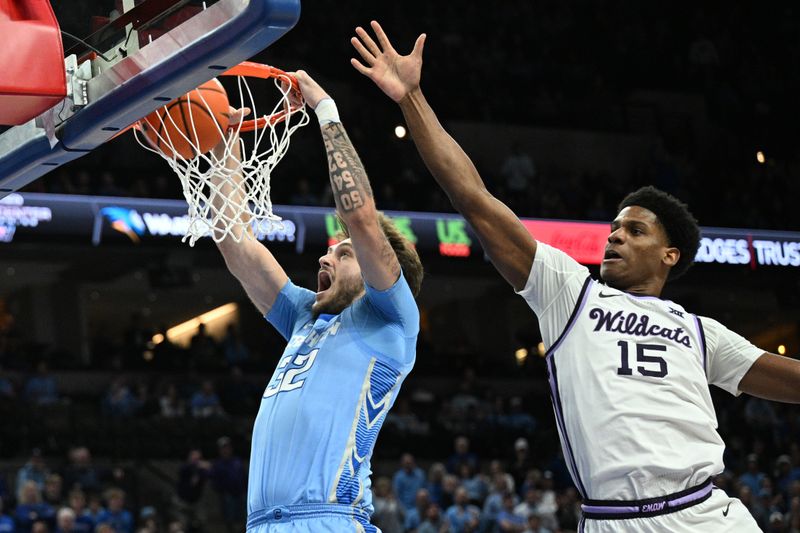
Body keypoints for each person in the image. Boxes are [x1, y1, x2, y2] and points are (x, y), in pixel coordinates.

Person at [352, 20, 800, 532]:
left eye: (634, 231)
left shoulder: (703, 333)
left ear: (670, 256)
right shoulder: (571, 293)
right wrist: (412, 98)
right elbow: (474, 200)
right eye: (614, 227)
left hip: (706, 515)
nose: (614, 237)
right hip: (609, 519)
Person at [208, 69, 423, 532]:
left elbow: (361, 219)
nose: (327, 255)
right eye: (331, 248)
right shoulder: (306, 315)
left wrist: (326, 110)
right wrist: (223, 145)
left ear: (374, 270)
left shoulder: (391, 320)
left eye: (343, 253)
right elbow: (236, 245)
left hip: (328, 520)